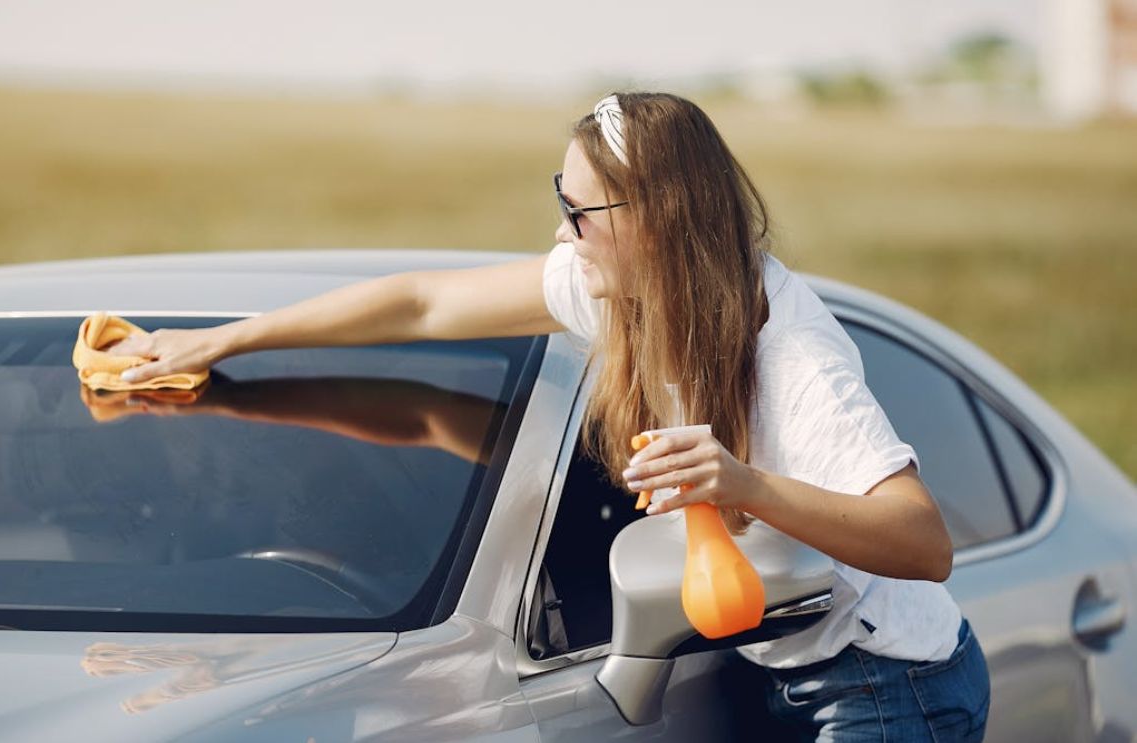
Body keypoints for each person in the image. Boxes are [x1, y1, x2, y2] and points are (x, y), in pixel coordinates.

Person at [107, 91, 991, 741]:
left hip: (886, 690)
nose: (564, 232)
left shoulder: (790, 354)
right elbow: (416, 305)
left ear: (657, 218)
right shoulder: (617, 288)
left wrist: (742, 482)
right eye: (558, 200)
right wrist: (222, 343)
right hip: (777, 673)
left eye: (580, 211)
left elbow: (922, 541)